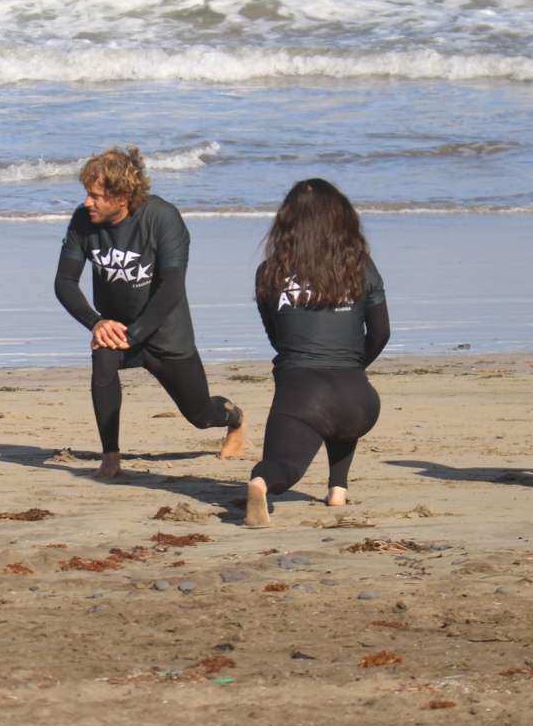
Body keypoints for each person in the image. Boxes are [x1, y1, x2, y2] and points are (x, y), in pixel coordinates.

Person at [53, 146, 244, 479]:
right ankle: (111, 457)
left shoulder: (162, 219)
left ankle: (235, 418)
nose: (87, 202)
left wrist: (136, 333)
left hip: (166, 332)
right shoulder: (83, 221)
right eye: (87, 194)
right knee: (102, 356)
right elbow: (64, 282)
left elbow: (172, 288)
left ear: (122, 196)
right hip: (117, 326)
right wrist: (96, 323)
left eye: (96, 196)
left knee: (199, 414)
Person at [245, 179, 388, 527]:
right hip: (359, 400)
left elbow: (278, 339)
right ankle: (337, 488)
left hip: (301, 396)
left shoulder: (269, 272)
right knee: (341, 418)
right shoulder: (361, 266)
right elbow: (381, 333)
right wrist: (352, 366)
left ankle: (261, 484)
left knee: (282, 466)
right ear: (340, 218)